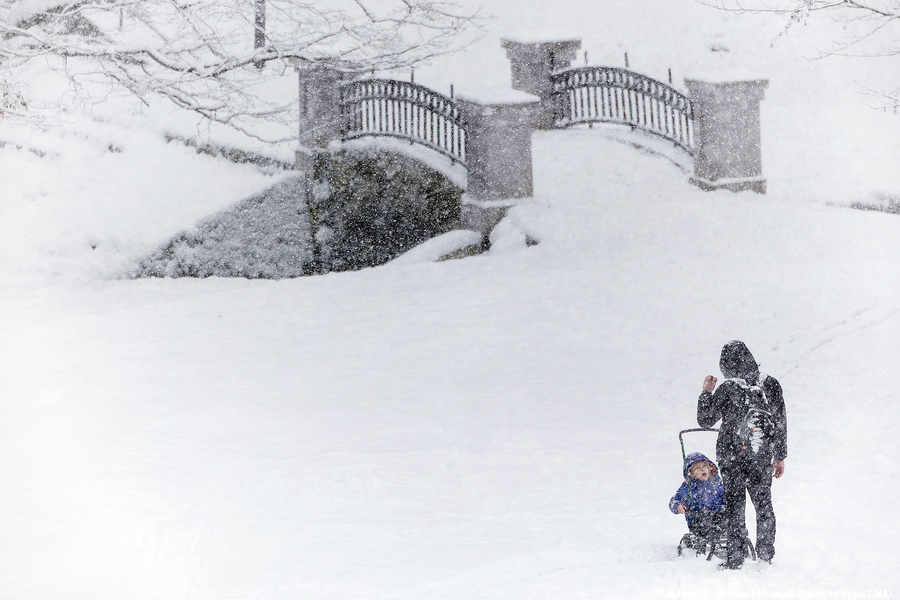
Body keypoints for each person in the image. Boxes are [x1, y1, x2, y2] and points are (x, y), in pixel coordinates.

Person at [698, 340, 787, 569]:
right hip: (761, 456)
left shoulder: (729, 387)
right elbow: (780, 421)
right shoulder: (770, 383)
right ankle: (766, 557)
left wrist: (706, 393)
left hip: (732, 457)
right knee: (764, 506)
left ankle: (735, 559)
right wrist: (779, 455)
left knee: (735, 507)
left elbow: (706, 420)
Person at [669, 452, 726, 545]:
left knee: (727, 516)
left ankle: (729, 531)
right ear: (690, 473)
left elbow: (727, 497)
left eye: (704, 466)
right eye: (697, 468)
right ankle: (713, 533)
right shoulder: (688, 488)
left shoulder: (717, 485)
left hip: (718, 515)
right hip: (699, 520)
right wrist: (678, 506)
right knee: (704, 519)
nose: (702, 469)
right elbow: (675, 500)